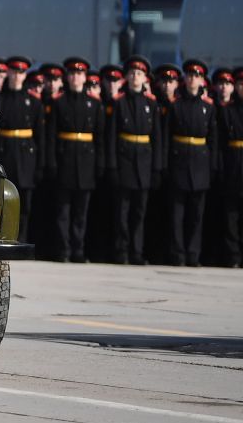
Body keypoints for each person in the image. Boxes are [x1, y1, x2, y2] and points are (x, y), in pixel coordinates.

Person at [104, 57, 160, 266]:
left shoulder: (151, 104)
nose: (135, 77)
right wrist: (112, 166)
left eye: (139, 73)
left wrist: (157, 168)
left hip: (144, 163)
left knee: (139, 212)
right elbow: (111, 137)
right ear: (127, 77)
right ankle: (122, 252)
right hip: (124, 161)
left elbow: (158, 138)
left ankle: (137, 251)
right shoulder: (119, 102)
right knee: (122, 213)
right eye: (132, 73)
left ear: (145, 77)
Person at [159, 61, 213, 267]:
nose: (192, 79)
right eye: (189, 75)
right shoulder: (176, 106)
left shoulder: (208, 108)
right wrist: (164, 165)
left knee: (196, 216)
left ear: (201, 80)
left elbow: (213, 141)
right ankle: (178, 254)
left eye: (196, 76)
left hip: (200, 166)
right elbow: (166, 137)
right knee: (177, 216)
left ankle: (193, 254)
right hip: (179, 164)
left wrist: (212, 168)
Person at [48, 58, 101, 263]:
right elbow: (51, 136)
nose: (75, 77)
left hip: (86, 162)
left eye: (79, 74)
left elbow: (100, 137)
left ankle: (78, 249)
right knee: (63, 211)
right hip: (65, 160)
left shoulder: (94, 104)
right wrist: (52, 162)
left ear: (85, 77)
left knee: (81, 212)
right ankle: (64, 249)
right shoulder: (59, 102)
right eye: (71, 74)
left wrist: (100, 165)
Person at [0, 57, 45, 243]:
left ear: (24, 75)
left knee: (25, 203)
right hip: (5, 153)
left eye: (20, 73)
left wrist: (40, 165)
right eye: (13, 72)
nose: (16, 76)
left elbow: (40, 137)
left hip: (26, 157)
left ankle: (22, 237)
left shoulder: (34, 103)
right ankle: (2, 236)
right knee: (3, 200)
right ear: (8, 74)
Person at [211, 69, 243, 268]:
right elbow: (219, 143)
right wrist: (220, 168)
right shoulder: (227, 110)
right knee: (231, 216)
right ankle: (233, 256)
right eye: (240, 84)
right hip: (232, 166)